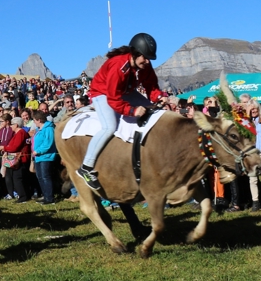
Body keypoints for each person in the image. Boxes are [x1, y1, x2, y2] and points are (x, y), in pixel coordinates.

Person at [75, 33, 166, 191]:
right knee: (109, 127)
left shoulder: (144, 65)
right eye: (145, 57)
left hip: (125, 91)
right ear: (135, 54)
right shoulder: (118, 65)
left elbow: (151, 86)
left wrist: (159, 97)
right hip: (102, 93)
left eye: (149, 58)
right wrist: (132, 110)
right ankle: (86, 167)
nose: (148, 61)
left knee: (155, 113)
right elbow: (113, 98)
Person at [31, 109, 58, 204]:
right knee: (40, 177)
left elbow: (48, 143)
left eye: (34, 120)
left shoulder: (49, 129)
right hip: (38, 157)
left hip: (46, 156)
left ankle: (50, 198)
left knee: (45, 176)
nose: (34, 122)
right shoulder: (38, 130)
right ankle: (45, 195)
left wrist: (38, 151)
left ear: (39, 120)